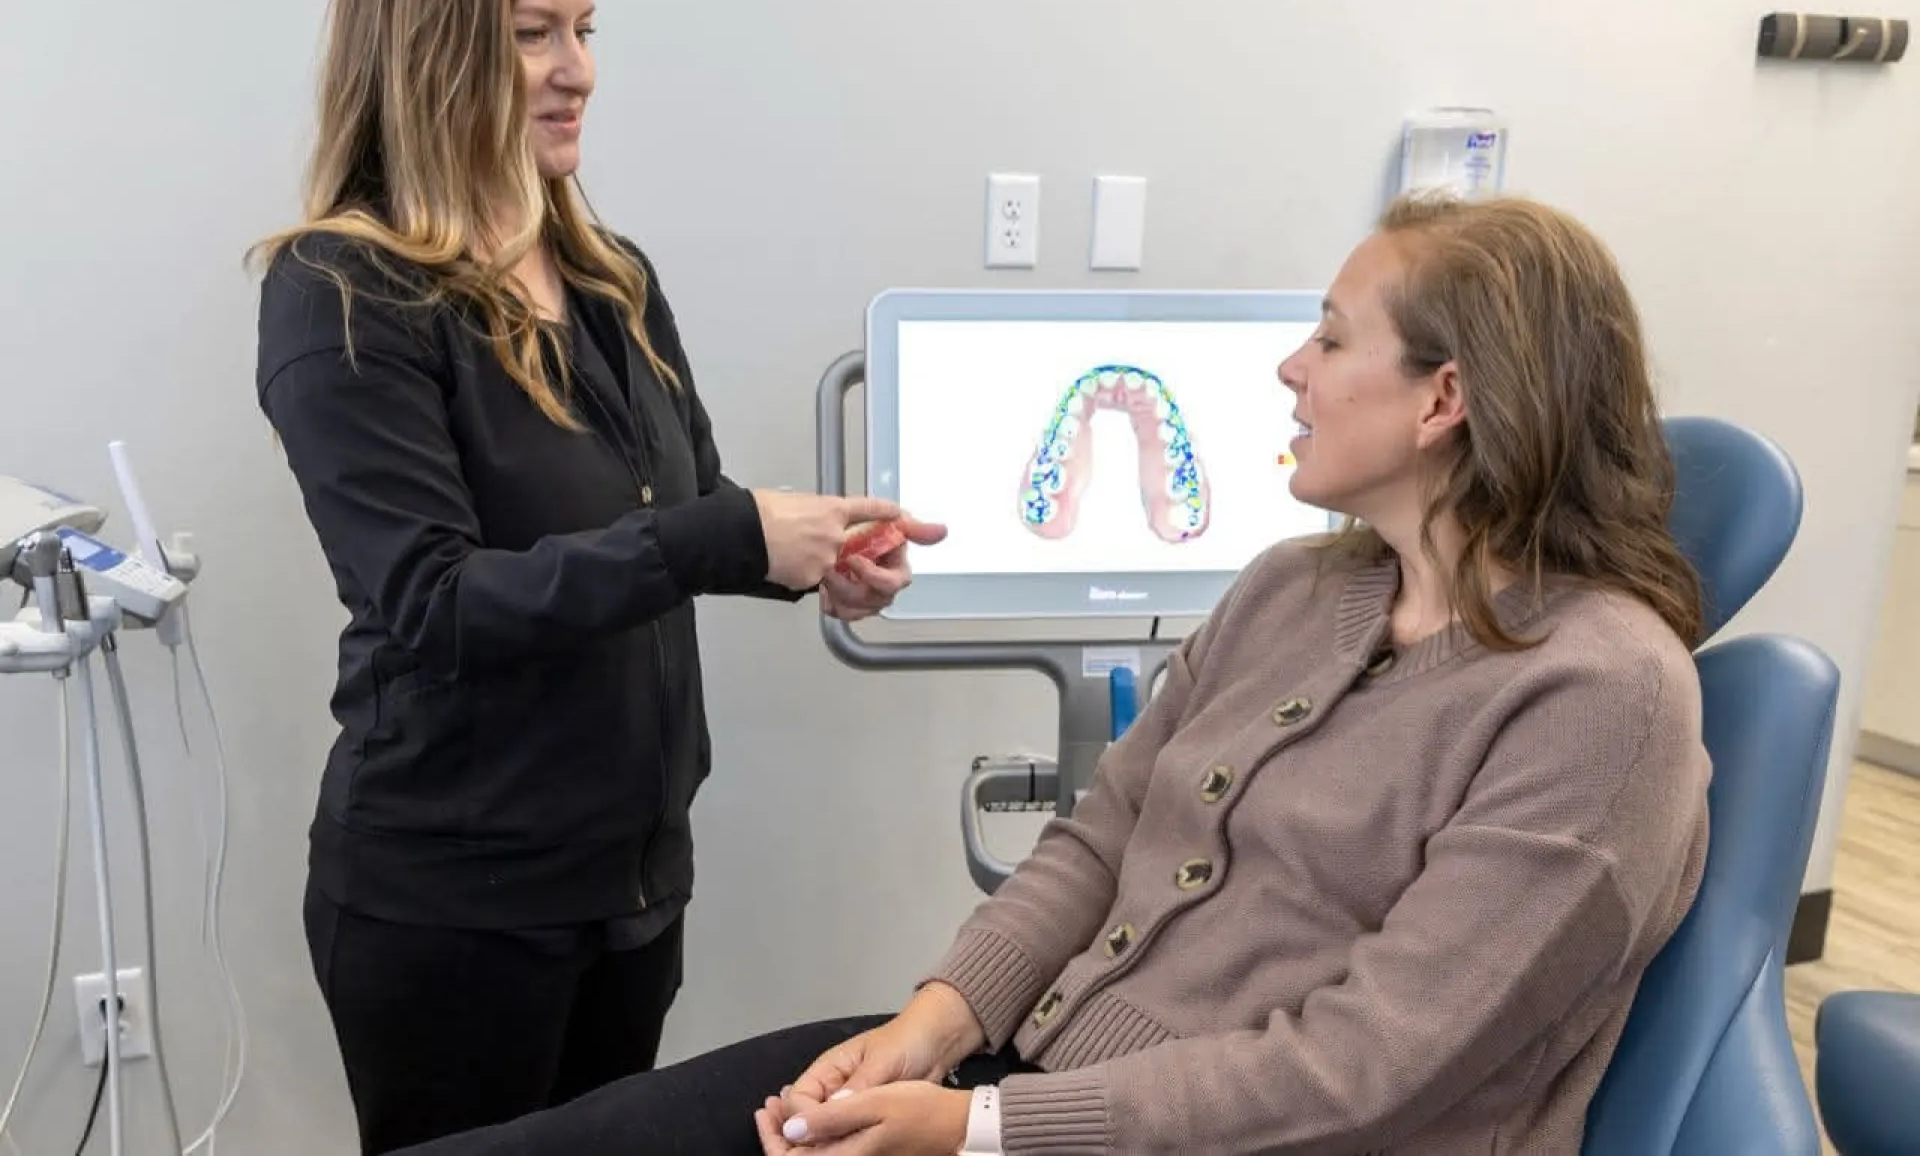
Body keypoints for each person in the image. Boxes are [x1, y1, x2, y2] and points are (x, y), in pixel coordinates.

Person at [394, 190, 1713, 1156]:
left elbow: (1370, 1069)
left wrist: (981, 1131)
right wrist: (931, 1026)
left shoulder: (1603, 700)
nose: (1288, 369)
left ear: (1443, 401)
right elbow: (1100, 841)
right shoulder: (1292, 591)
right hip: (1037, 1084)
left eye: (1328, 337)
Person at [250, 0, 944, 1151]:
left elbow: (675, 511)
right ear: (433, 43)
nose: (577, 71)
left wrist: (809, 559)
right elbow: (434, 600)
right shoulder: (340, 293)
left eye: (585, 31)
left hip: (628, 895)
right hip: (454, 912)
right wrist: (727, 538)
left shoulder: (608, 279)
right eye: (533, 34)